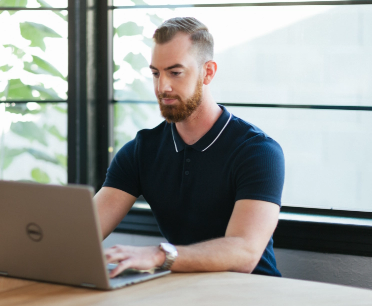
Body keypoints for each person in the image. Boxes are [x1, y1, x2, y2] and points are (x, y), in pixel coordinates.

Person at [94, 17, 285, 278]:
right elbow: (84, 232)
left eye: (175, 72)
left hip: (251, 293)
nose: (162, 87)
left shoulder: (258, 152)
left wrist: (159, 255)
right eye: (155, 73)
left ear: (208, 72)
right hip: (181, 291)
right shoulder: (140, 151)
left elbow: (244, 253)